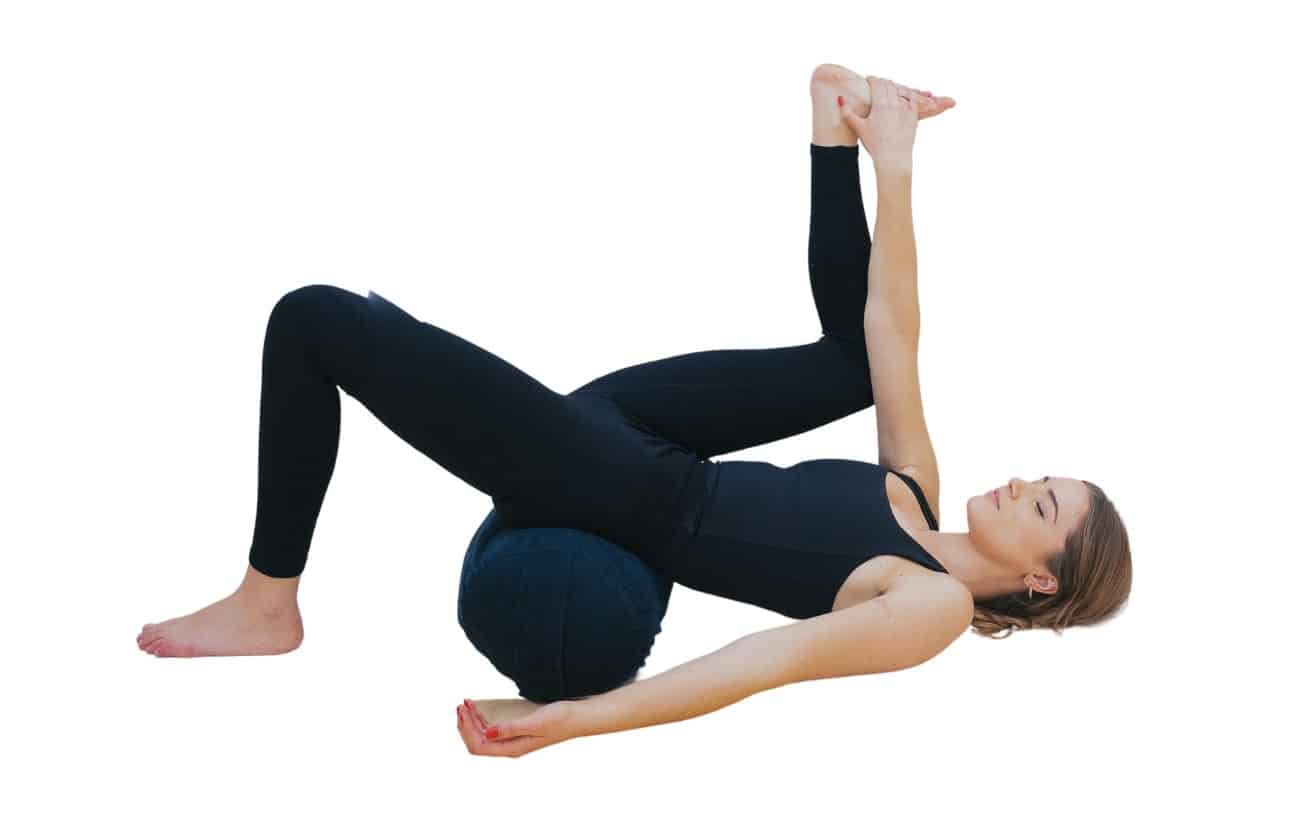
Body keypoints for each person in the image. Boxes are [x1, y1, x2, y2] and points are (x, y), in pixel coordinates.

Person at [135, 64, 1132, 757]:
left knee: (314, 320)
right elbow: (893, 327)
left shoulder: (932, 609)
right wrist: (890, 159)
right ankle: (830, 121)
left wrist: (575, 720)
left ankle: (269, 602)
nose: (1020, 483)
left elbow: (761, 661)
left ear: (1040, 583)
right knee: (854, 363)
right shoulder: (919, 491)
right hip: (652, 437)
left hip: (625, 490)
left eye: (1041, 506)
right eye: (1042, 477)